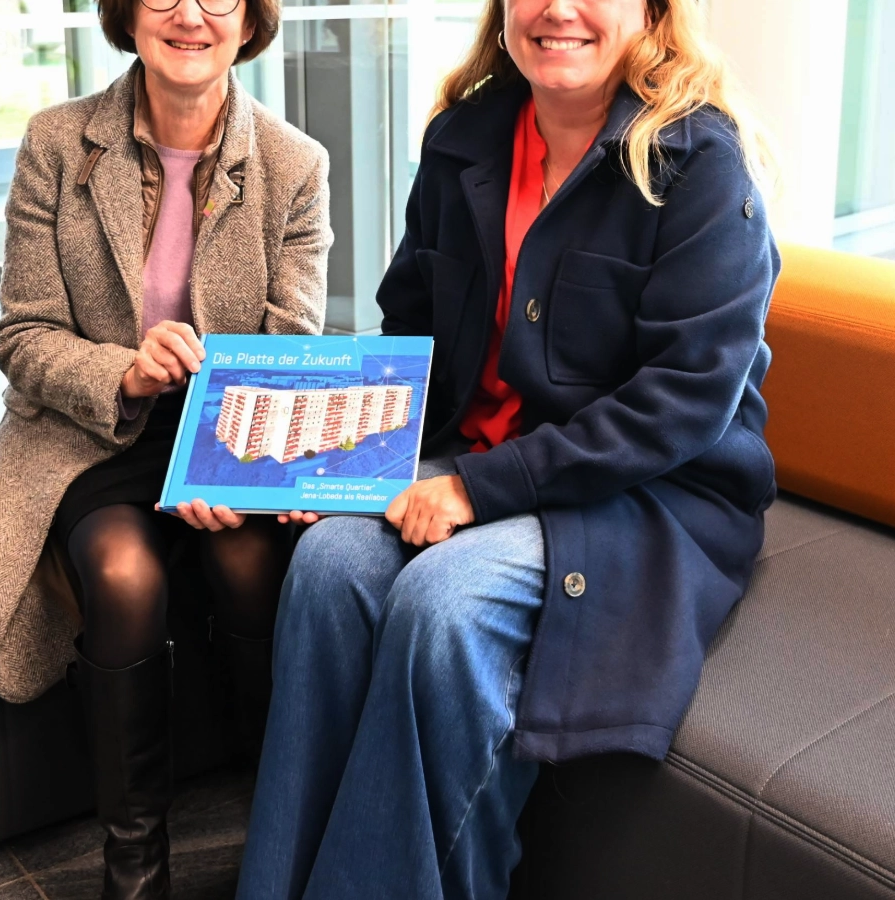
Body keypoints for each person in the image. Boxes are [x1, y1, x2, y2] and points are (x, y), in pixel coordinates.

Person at [237, 0, 778, 896]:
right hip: (481, 461)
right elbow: (410, 322)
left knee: (444, 602)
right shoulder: (466, 138)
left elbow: (681, 405)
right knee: (329, 564)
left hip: (643, 494)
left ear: (649, 11)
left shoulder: (704, 166)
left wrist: (477, 490)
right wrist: (343, 460)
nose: (557, 10)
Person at [0, 0, 331, 891]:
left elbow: (293, 348)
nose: (191, 15)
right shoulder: (58, 143)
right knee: (125, 576)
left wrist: (222, 459)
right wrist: (125, 373)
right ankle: (133, 863)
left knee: (253, 563)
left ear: (249, 21)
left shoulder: (295, 165)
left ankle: (275, 822)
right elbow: (23, 335)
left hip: (228, 438)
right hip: (94, 438)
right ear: (127, 15)